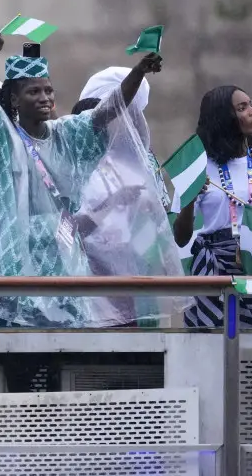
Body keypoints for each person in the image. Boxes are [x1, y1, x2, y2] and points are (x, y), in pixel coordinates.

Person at [0, 29, 160, 327]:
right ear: (15, 100)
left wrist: (137, 72)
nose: (45, 98)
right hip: (16, 259)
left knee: (63, 348)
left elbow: (108, 109)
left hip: (62, 258)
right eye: (34, 92)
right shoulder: (3, 138)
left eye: (48, 90)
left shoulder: (67, 134)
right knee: (17, 352)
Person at [172, 86, 252, 329]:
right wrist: (190, 198)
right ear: (223, 118)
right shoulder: (198, 165)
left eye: (251, 105)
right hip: (215, 266)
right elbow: (180, 237)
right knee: (215, 345)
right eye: (243, 108)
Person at [72, 63, 184, 327]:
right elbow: (68, 227)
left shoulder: (137, 167)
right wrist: (111, 205)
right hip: (89, 286)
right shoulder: (75, 164)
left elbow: (159, 229)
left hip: (137, 288)